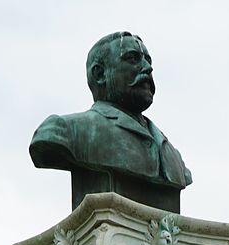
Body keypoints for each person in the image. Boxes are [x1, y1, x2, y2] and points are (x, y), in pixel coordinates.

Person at [29, 32, 192, 212]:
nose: (147, 68)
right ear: (100, 74)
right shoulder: (63, 130)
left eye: (148, 61)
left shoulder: (173, 156)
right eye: (132, 59)